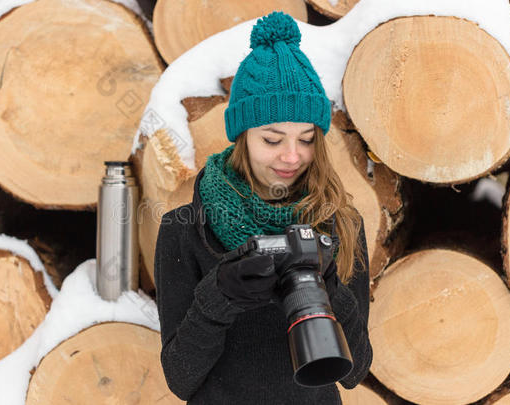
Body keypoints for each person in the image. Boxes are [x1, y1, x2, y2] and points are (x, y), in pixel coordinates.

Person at [154, 11, 372, 404]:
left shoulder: (339, 224)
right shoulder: (184, 230)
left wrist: (328, 284)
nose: (292, 156)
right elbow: (180, 378)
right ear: (242, 136)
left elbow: (355, 372)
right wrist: (219, 293)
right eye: (272, 139)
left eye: (306, 138)